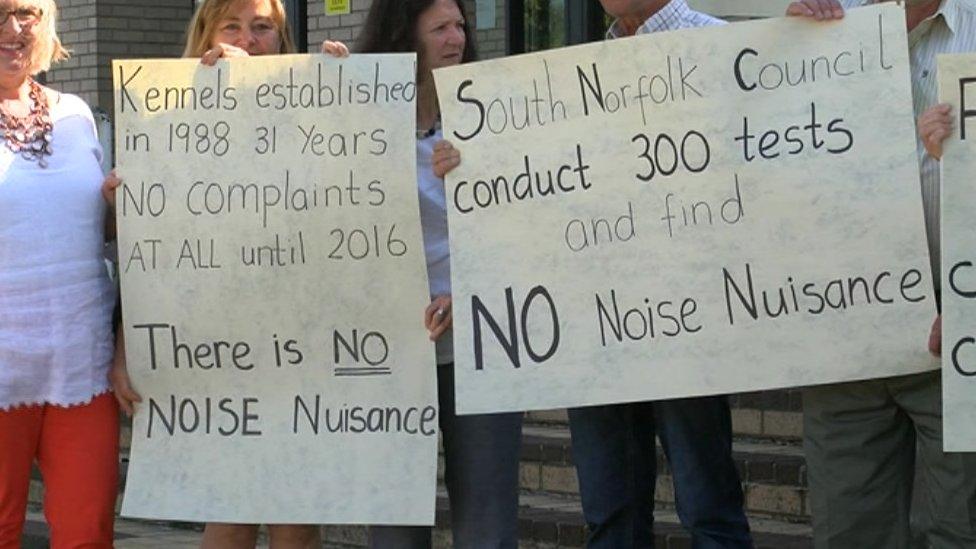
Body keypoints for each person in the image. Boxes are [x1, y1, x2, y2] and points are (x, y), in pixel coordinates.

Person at [105, 1, 346, 548]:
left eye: (263, 28)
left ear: (282, 40)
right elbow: (149, 257)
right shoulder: (165, 119)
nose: (248, 39)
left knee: (297, 516)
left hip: (301, 348)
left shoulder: (311, 108)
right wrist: (127, 347)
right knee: (230, 514)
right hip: (214, 352)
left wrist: (348, 90)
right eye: (232, 26)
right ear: (205, 34)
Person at [530, 3, 754, 548]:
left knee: (709, 508)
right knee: (611, 516)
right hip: (598, 324)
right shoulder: (580, 70)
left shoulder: (724, 46)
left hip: (688, 321)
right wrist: (469, 163)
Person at [787, 1, 976, 547]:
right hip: (846, 327)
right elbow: (775, 171)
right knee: (850, 530)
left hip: (958, 325)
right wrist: (782, 51)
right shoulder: (820, 31)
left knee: (961, 529)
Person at [353, 1, 525, 547]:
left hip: (481, 341)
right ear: (405, 37)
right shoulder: (356, 119)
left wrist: (480, 171)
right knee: (396, 527)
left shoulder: (490, 113)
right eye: (440, 28)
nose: (457, 38)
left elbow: (524, 229)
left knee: (487, 522)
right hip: (391, 351)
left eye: (461, 26)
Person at [0, 1, 120, 547]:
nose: (13, 28)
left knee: (87, 529)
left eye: (26, 11)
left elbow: (99, 229)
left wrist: (136, 205)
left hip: (80, 360)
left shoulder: (76, 114)